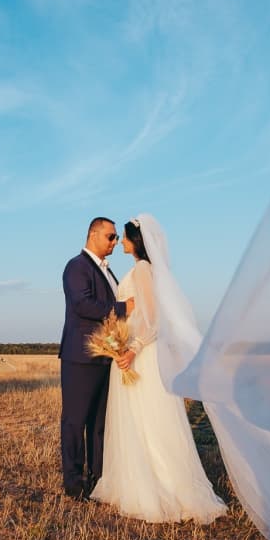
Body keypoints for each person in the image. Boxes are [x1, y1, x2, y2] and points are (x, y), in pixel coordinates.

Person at [90, 215, 227, 523]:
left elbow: (152, 319)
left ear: (135, 241)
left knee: (147, 419)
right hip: (136, 351)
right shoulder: (147, 270)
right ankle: (142, 482)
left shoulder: (141, 270)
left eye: (123, 237)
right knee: (142, 419)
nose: (120, 242)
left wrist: (132, 349)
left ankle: (156, 488)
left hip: (141, 354)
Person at [59, 217, 134, 500]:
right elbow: (82, 304)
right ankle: (74, 483)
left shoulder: (109, 273)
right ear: (93, 235)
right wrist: (122, 308)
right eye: (110, 236)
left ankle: (99, 477)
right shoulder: (76, 267)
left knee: (100, 424)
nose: (115, 242)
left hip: (105, 359)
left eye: (116, 238)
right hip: (80, 357)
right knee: (75, 421)